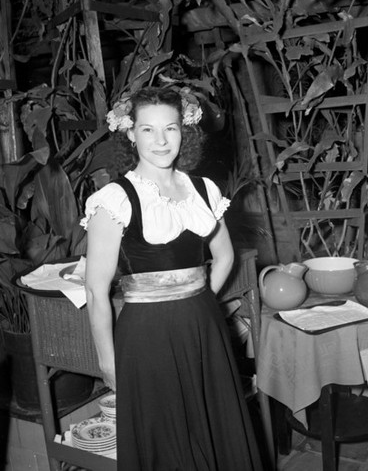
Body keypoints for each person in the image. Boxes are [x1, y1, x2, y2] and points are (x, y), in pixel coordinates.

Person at [81, 87, 264, 471]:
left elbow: (225, 255)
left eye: (171, 128)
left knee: (215, 428)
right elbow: (96, 291)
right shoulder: (114, 199)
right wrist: (108, 362)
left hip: (202, 325)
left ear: (185, 131)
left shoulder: (203, 189)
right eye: (148, 130)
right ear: (130, 134)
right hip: (146, 336)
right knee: (164, 439)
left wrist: (197, 299)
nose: (161, 141)